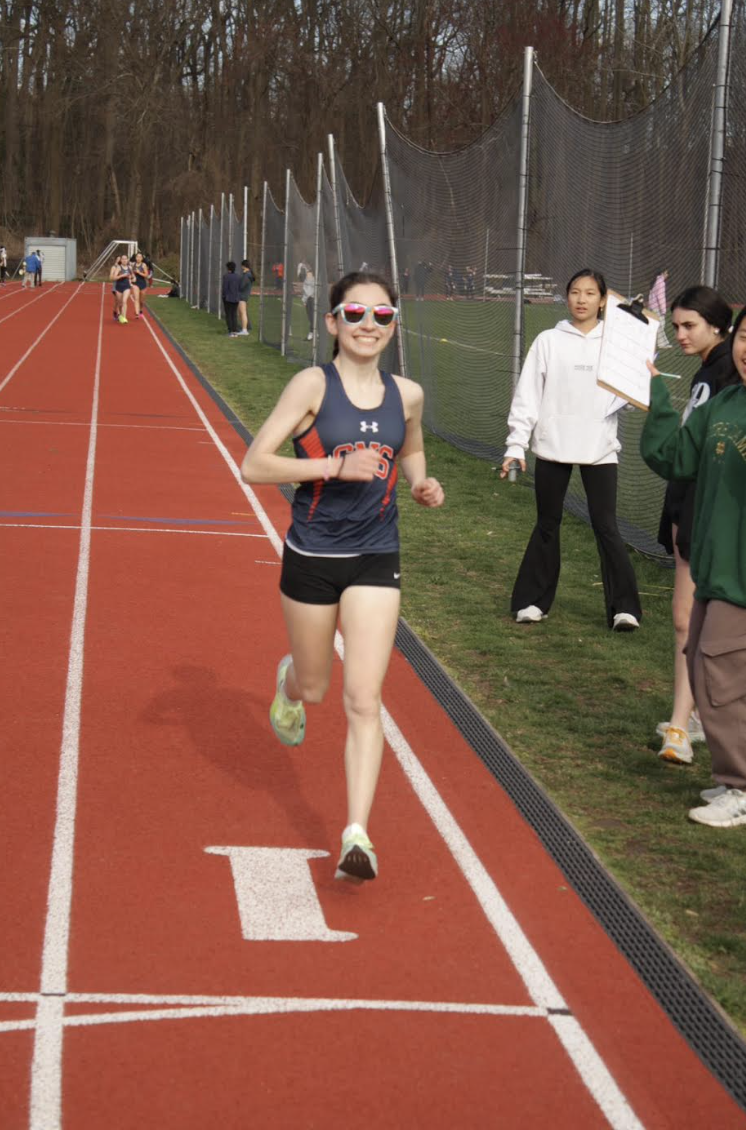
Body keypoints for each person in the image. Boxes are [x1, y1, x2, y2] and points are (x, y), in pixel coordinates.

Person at [240, 270, 444, 881]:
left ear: (393, 327)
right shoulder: (311, 384)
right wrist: (333, 465)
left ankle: (357, 832)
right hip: (312, 555)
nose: (368, 326)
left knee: (364, 698)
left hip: (377, 557)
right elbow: (255, 465)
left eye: (382, 317)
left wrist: (419, 482)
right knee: (317, 686)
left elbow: (409, 446)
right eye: (356, 314)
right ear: (332, 322)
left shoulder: (406, 394)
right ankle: (291, 682)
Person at [642, 306, 746, 828]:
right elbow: (675, 458)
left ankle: (741, 788)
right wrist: (659, 397)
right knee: (706, 672)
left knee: (723, 676)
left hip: (740, 576)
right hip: (715, 565)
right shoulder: (726, 401)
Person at [500, 268, 642, 631]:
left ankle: (624, 610)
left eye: (590, 293)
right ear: (567, 297)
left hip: (600, 450)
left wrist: (636, 381)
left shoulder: (616, 345)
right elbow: (527, 395)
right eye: (575, 292)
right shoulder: (549, 340)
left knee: (606, 526)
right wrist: (516, 444)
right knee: (547, 524)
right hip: (552, 448)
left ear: (603, 300)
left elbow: (627, 398)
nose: (581, 299)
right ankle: (532, 602)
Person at [654, 286, 739, 765]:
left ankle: (686, 725)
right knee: (688, 619)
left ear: (718, 326)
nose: (680, 335)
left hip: (710, 514)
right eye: (676, 326)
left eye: (690, 326)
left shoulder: (726, 372)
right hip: (689, 507)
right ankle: (688, 719)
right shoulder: (708, 371)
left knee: (699, 622)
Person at [647, 269, 670, 348]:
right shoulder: (661, 283)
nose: (667, 275)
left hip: (652, 307)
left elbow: (651, 295)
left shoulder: (655, 282)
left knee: (655, 325)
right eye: (666, 273)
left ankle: (653, 342)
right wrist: (663, 309)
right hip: (658, 308)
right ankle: (661, 344)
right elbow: (661, 297)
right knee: (661, 325)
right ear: (663, 273)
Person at [222, 260, 240, 337]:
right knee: (234, 314)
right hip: (236, 298)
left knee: (228, 315)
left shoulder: (226, 276)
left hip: (228, 298)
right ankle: (235, 331)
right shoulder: (238, 276)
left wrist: (224, 296)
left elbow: (225, 288)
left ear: (228, 268)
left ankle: (230, 331)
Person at [237, 259, 255, 336]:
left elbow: (241, 286)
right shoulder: (248, 274)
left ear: (244, 266)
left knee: (243, 313)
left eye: (242, 266)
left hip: (242, 296)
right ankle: (244, 328)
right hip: (243, 295)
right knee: (241, 313)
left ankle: (244, 330)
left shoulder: (247, 275)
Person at [113, 256, 133, 323]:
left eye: (125, 259)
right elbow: (114, 278)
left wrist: (131, 277)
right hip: (119, 287)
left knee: (124, 301)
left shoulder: (130, 267)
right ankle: (121, 315)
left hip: (126, 287)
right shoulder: (119, 268)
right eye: (123, 259)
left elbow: (133, 277)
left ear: (127, 260)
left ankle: (124, 317)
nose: (124, 260)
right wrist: (122, 276)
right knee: (120, 303)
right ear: (121, 260)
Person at [131, 252, 149, 318]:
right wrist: (132, 277)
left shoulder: (144, 265)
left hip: (143, 283)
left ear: (142, 258)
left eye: (140, 257)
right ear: (135, 258)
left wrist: (139, 272)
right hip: (135, 283)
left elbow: (146, 275)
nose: (138, 258)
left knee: (141, 301)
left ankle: (140, 309)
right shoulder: (133, 265)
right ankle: (137, 313)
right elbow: (131, 273)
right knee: (136, 299)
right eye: (137, 257)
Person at [302, 266, 315, 341]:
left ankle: (311, 333)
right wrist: (304, 301)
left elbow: (310, 292)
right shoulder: (306, 281)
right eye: (307, 273)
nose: (308, 275)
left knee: (312, 317)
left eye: (309, 273)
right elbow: (304, 292)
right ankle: (313, 333)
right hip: (308, 301)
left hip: (311, 300)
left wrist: (307, 298)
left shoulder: (313, 281)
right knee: (310, 317)